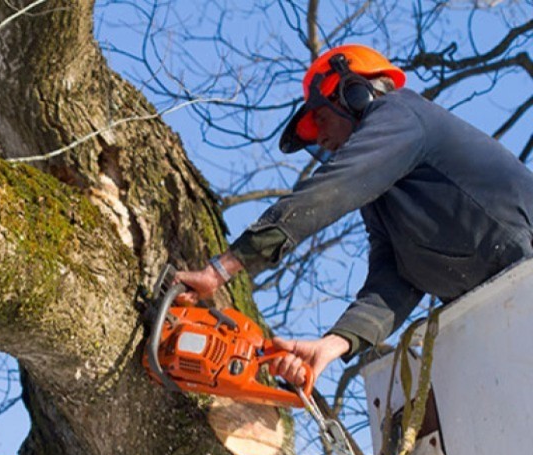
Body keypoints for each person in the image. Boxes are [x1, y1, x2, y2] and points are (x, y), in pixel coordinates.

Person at [176, 44, 533, 387]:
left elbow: (331, 190)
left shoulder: (401, 114)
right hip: (502, 308)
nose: (323, 139)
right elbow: (393, 281)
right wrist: (331, 345)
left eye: (321, 118)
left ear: (354, 94)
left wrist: (222, 268)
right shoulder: (384, 200)